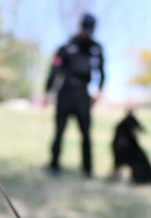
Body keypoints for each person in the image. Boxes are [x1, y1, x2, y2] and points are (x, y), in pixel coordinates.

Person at [45, 13, 105, 178]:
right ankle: (54, 164)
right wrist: (48, 91)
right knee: (59, 131)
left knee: (86, 133)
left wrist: (99, 91)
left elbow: (102, 72)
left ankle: (87, 168)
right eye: (85, 28)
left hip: (83, 94)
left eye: (89, 29)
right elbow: (54, 70)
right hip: (66, 91)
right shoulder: (67, 46)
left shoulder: (96, 48)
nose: (86, 32)